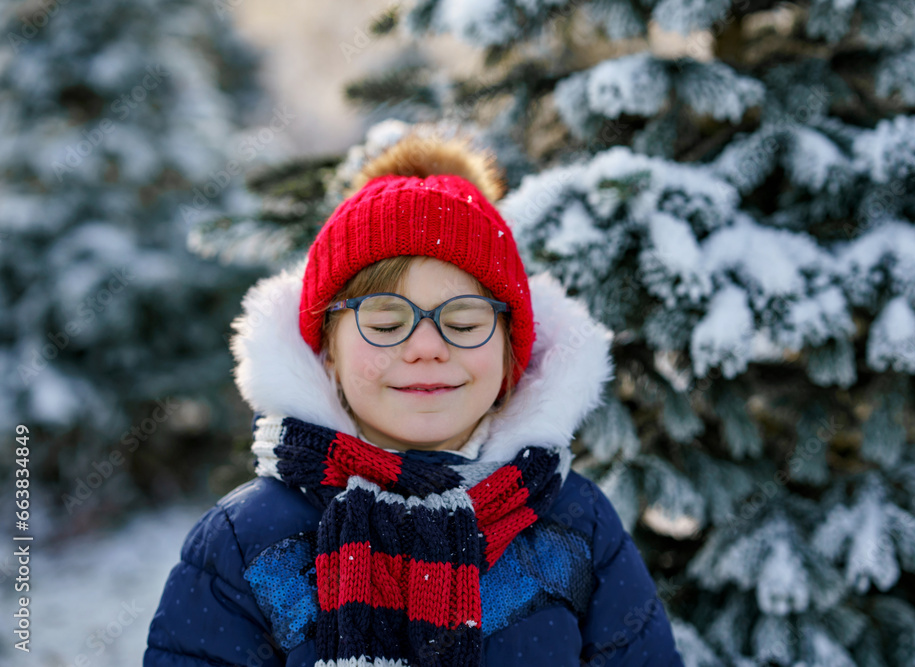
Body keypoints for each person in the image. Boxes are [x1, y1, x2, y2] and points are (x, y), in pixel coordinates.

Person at [143, 133, 686, 666]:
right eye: (385, 322)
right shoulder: (250, 539)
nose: (426, 347)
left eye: (464, 322)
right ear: (327, 351)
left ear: (509, 357)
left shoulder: (575, 524)